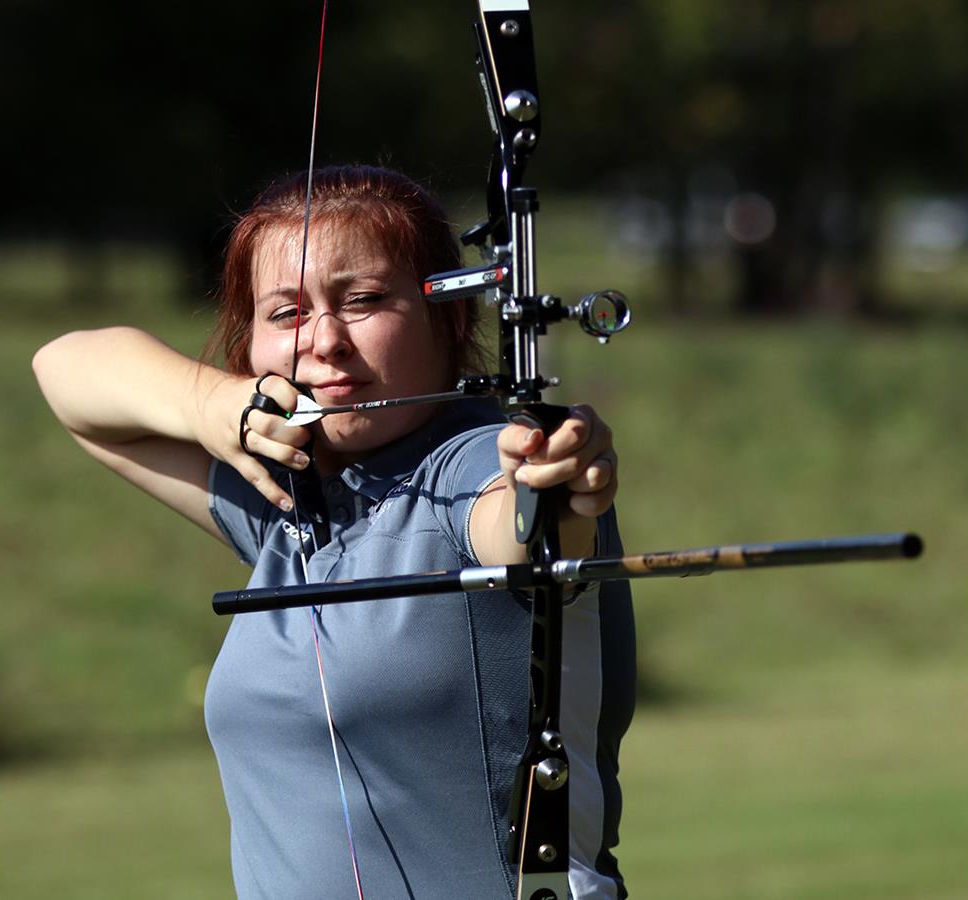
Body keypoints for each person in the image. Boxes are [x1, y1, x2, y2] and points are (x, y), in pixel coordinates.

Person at [33, 165, 635, 899]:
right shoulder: (287, 497)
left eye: (364, 301)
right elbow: (63, 372)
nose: (325, 340)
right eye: (286, 313)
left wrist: (553, 482)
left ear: (449, 316)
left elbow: (517, 522)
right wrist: (208, 403)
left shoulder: (470, 463)